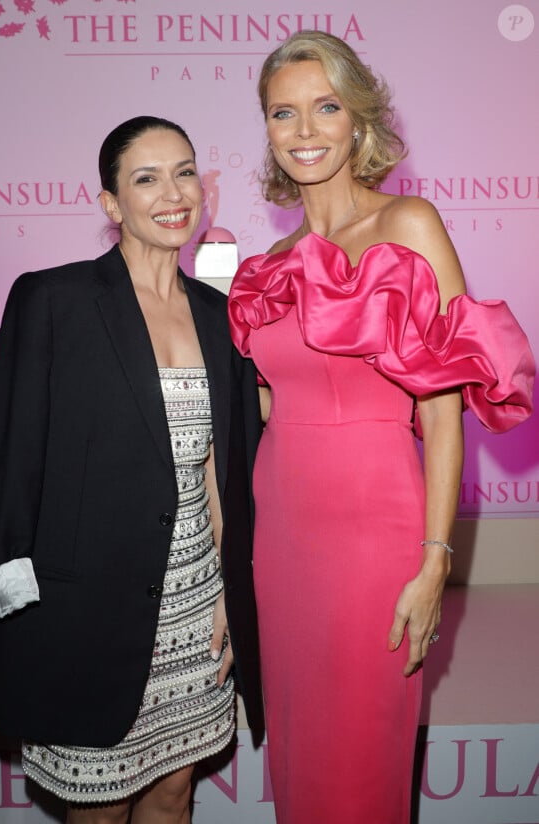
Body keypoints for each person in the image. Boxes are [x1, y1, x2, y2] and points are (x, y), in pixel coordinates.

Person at [227, 31, 535, 824]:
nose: (304, 130)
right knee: (297, 760)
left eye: (325, 107)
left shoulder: (410, 224)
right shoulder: (272, 261)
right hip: (282, 537)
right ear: (265, 127)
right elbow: (269, 404)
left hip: (375, 532)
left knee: (359, 760)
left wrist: (436, 564)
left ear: (357, 120)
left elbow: (442, 412)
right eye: (282, 112)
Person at [0, 115, 264, 823]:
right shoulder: (53, 300)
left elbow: (224, 476)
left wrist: (231, 595)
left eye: (185, 171)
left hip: (196, 609)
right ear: (111, 204)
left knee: (171, 795)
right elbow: (8, 465)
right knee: (97, 808)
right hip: (82, 616)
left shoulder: (222, 316)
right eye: (147, 177)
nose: (173, 192)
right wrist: (20, 617)